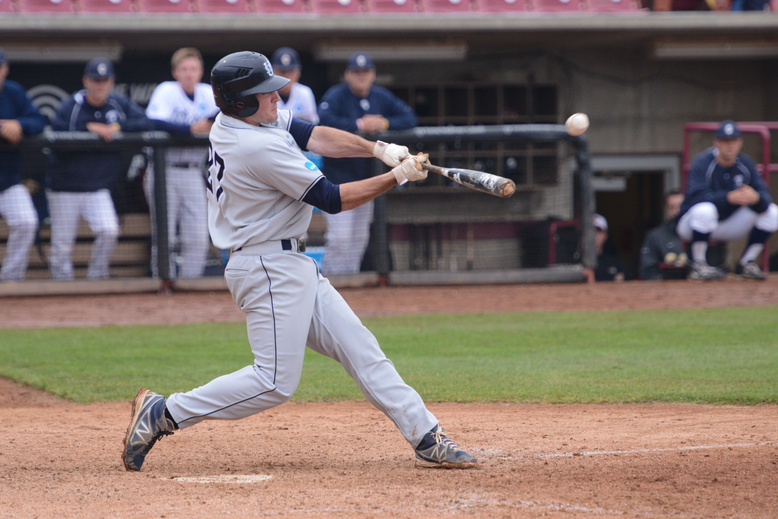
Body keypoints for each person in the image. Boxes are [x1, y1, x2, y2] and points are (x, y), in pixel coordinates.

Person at [122, 51, 477, 472]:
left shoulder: (238, 120)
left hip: (289, 262)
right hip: (267, 266)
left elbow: (313, 133)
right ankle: (166, 413)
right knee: (273, 382)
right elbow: (331, 198)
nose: (276, 97)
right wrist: (396, 177)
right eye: (265, 93)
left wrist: (377, 148)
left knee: (361, 348)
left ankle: (424, 434)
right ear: (240, 101)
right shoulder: (255, 147)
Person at [46, 58, 151, 280]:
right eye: (96, 80)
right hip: (65, 187)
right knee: (62, 244)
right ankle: (61, 285)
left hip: (97, 188)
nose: (100, 84)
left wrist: (115, 127)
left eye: (105, 80)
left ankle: (97, 277)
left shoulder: (117, 103)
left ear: (111, 81)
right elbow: (55, 137)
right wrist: (88, 129)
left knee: (108, 230)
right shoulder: (70, 106)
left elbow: (145, 122)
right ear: (86, 81)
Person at [317, 52, 417, 275]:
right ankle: (331, 284)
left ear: (372, 74)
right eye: (356, 72)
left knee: (359, 239)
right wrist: (358, 124)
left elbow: (410, 118)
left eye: (365, 72)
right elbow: (324, 121)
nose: (361, 77)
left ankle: (349, 285)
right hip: (337, 182)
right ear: (347, 75)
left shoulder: (381, 96)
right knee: (339, 239)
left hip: (368, 181)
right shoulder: (336, 95)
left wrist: (384, 121)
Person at [145, 47, 219, 279]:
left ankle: (190, 286)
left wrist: (210, 120)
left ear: (201, 72)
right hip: (163, 169)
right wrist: (189, 130)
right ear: (175, 72)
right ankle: (164, 282)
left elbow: (229, 112)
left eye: (194, 69)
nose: (189, 74)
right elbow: (153, 123)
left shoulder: (208, 93)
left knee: (197, 235)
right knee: (164, 234)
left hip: (192, 172)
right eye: (184, 69)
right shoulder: (166, 91)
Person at [677, 120, 778, 281]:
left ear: (740, 143)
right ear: (716, 142)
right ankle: (698, 264)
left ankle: (746, 262)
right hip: (692, 225)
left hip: (728, 224)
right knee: (705, 209)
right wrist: (727, 197)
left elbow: (765, 196)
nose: (729, 145)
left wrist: (756, 198)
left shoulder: (745, 164)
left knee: (773, 212)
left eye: (733, 141)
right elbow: (695, 198)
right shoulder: (703, 162)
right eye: (725, 141)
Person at [0, 48, 47, 282]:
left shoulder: (14, 92)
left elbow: (38, 120)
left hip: (7, 181)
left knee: (27, 222)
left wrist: (19, 124)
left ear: (5, 69)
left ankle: (10, 280)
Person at [638, 190, 687, 281]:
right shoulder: (655, 236)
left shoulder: (701, 233)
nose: (677, 211)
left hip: (697, 289)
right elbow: (647, 271)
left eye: (681, 206)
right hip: (666, 290)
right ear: (666, 210)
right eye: (672, 207)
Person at [271, 47, 319, 125]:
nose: (286, 76)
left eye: (290, 71)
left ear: (298, 72)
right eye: (282, 71)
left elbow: (312, 123)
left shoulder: (305, 92)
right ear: (273, 72)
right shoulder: (265, 93)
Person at [593, 213, 626, 282]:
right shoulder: (576, 264)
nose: (594, 235)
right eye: (591, 231)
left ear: (605, 236)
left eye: (599, 231)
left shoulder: (615, 263)